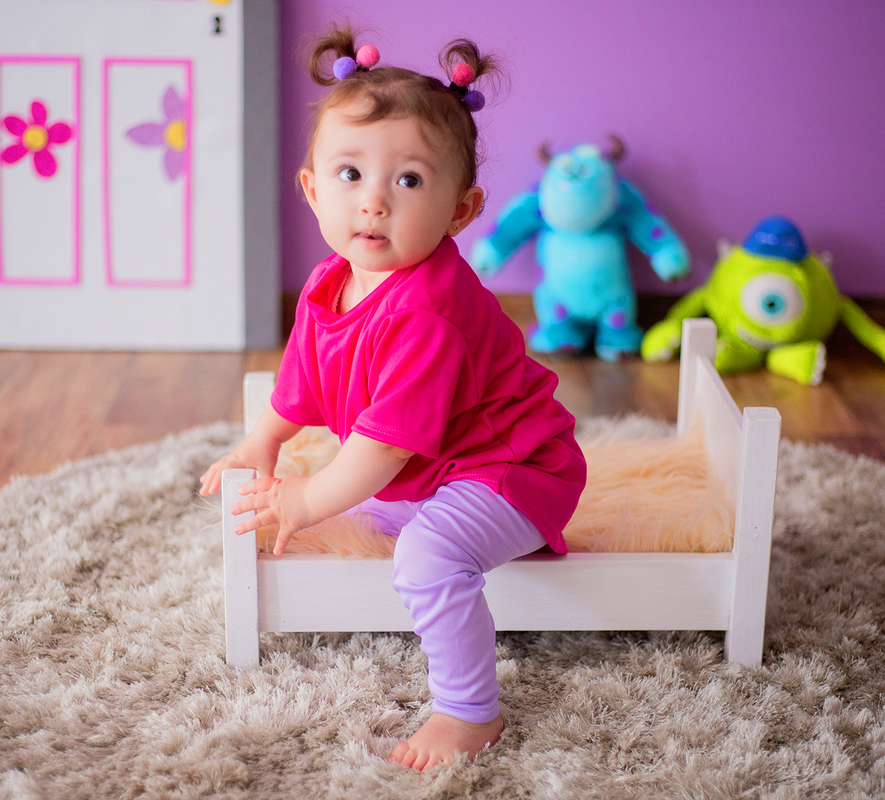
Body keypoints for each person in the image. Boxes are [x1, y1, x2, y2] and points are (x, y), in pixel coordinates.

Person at [199, 23, 586, 771]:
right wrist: (264, 441)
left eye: (408, 180)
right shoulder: (332, 278)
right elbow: (307, 378)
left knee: (426, 555)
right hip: (441, 465)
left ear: (460, 210)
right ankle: (424, 525)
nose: (373, 202)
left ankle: (470, 712)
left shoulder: (427, 310)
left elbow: (381, 447)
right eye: (350, 174)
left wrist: (309, 500)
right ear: (313, 188)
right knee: (369, 505)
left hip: (513, 467)